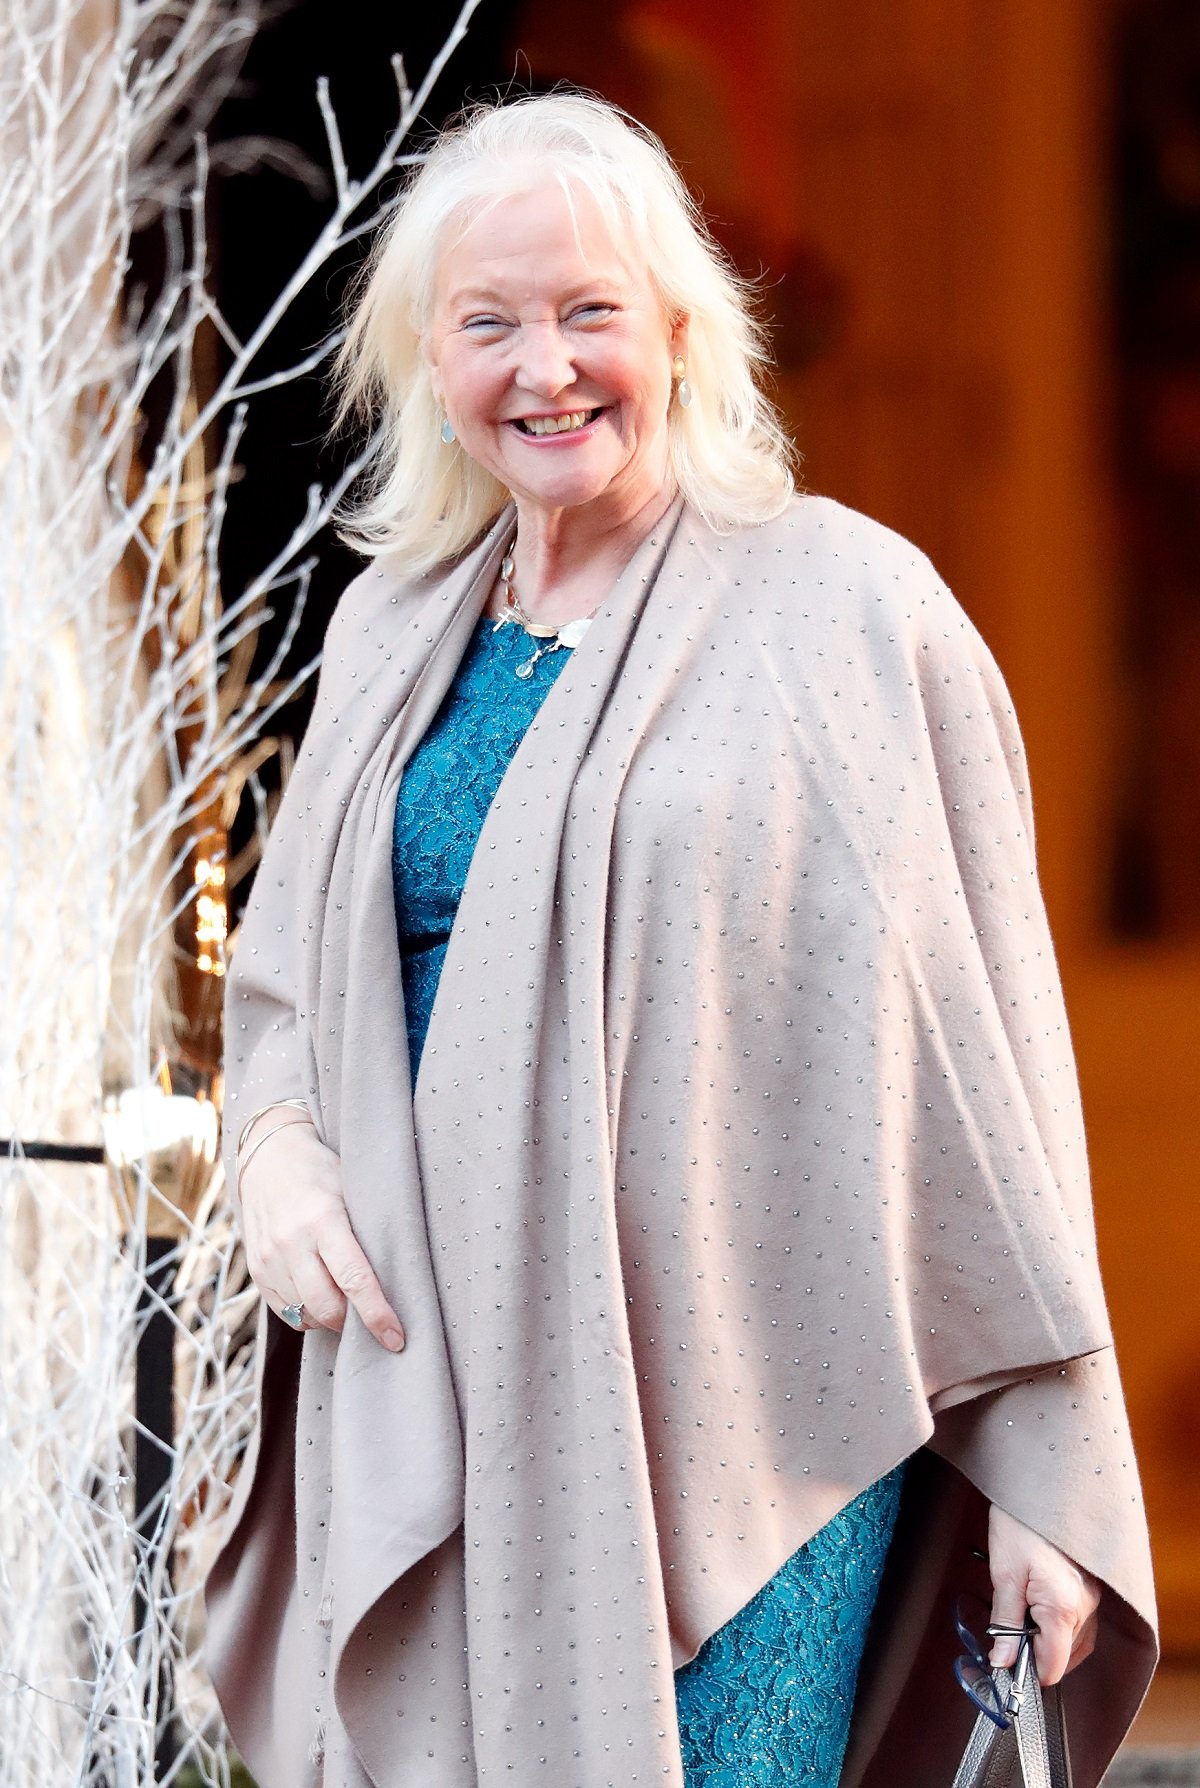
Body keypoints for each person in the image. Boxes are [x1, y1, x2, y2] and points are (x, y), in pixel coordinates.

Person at [203, 93, 1156, 1788]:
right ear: (431, 361)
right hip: (436, 1415)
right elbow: (281, 989)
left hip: (758, 1436)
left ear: (687, 332)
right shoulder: (387, 628)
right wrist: (273, 1151)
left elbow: (988, 1063)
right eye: (491, 322)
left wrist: (1046, 1465)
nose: (544, 367)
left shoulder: (847, 610)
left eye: (589, 314)